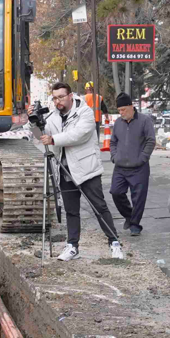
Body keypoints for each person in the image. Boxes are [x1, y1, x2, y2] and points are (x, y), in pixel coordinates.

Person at [39, 82, 123, 261]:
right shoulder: (53, 116)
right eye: (55, 98)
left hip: (86, 169)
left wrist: (53, 139)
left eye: (61, 96)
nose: (58, 101)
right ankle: (72, 246)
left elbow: (79, 135)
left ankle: (114, 243)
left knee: (99, 207)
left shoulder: (84, 112)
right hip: (64, 169)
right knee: (71, 210)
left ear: (70, 96)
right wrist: (35, 121)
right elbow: (42, 135)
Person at [107, 92, 155, 236]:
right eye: (119, 110)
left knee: (138, 197)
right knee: (116, 192)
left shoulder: (145, 121)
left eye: (123, 110)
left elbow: (150, 141)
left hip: (139, 167)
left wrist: (142, 158)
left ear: (131, 106)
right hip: (120, 167)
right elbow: (113, 142)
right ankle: (129, 215)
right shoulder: (118, 123)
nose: (121, 113)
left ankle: (135, 224)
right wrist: (114, 156)